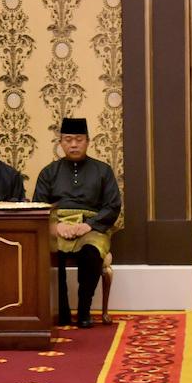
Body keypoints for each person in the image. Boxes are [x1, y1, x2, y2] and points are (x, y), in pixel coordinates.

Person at [33, 117, 122, 328]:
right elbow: (39, 205)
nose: (73, 144)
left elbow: (112, 206)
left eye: (79, 139)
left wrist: (88, 225)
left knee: (91, 253)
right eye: (68, 140)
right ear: (61, 143)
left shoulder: (103, 171)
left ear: (88, 141)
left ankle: (84, 311)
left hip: (91, 227)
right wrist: (55, 226)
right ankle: (60, 312)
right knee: (51, 254)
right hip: (58, 226)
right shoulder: (49, 172)